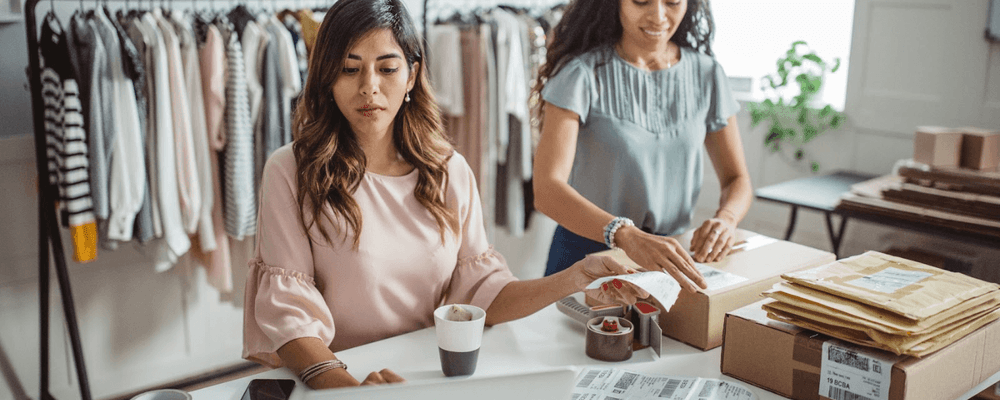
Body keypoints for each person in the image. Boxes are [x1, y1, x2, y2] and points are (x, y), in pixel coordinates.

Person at [242, 0, 646, 390]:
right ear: (327, 76)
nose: (369, 87)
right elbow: (290, 315)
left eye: (386, 69)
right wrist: (349, 389)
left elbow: (485, 293)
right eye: (350, 70)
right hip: (341, 377)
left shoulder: (447, 169)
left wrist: (576, 276)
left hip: (432, 374)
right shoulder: (291, 171)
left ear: (412, 76)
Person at [533, 0, 753, 292]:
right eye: (641, 0)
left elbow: (737, 179)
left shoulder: (707, 74)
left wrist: (726, 220)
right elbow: (547, 191)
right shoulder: (580, 74)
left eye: (673, 1)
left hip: (669, 258)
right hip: (584, 256)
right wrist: (624, 234)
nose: (659, 15)